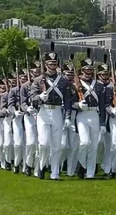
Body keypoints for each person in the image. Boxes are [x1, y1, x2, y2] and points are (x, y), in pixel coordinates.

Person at [29, 43, 73, 180]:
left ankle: (55, 173)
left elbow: (67, 101)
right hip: (43, 112)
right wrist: (39, 98)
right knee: (44, 143)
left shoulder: (63, 81)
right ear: (46, 64)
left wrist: (67, 117)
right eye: (50, 63)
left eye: (54, 63)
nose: (52, 66)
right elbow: (32, 98)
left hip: (57, 112)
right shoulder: (38, 80)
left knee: (57, 145)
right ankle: (42, 165)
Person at [73, 55, 108, 179]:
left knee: (94, 145)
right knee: (84, 142)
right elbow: (71, 103)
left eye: (90, 70)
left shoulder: (98, 86)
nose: (88, 72)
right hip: (82, 115)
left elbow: (103, 106)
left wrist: (103, 123)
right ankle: (81, 164)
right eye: (86, 70)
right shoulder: (76, 85)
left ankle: (90, 173)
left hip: (94, 115)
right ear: (81, 71)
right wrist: (78, 104)